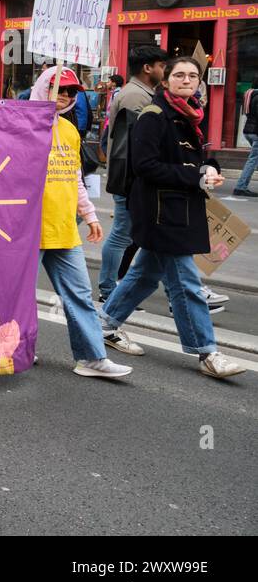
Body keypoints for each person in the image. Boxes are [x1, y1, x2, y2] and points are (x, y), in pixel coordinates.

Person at [98, 57, 245, 379]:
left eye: (193, 75)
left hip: (179, 208)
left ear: (199, 81)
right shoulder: (154, 115)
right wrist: (195, 176)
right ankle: (207, 351)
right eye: (179, 74)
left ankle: (104, 324)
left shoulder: (190, 113)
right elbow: (145, 166)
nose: (186, 80)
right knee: (186, 283)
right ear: (166, 80)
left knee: (145, 275)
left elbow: (195, 157)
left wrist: (211, 168)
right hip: (159, 211)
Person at [28, 67, 131, 378]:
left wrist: (89, 215)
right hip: (26, 228)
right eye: (58, 88)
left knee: (81, 294)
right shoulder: (19, 126)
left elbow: (74, 179)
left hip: (63, 226)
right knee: (17, 297)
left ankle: (91, 357)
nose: (65, 96)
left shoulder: (71, 131)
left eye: (72, 92)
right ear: (42, 87)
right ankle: (16, 348)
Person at [100, 46, 166, 303]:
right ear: (147, 68)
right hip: (129, 177)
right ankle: (108, 288)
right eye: (161, 65)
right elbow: (133, 144)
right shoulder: (135, 96)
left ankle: (119, 286)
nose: (164, 70)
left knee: (132, 233)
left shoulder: (142, 93)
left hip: (132, 176)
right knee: (122, 233)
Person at [232, 84, 258, 198]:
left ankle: (241, 186)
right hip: (256, 132)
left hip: (248, 130)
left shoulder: (250, 94)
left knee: (254, 160)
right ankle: (240, 187)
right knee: (252, 161)